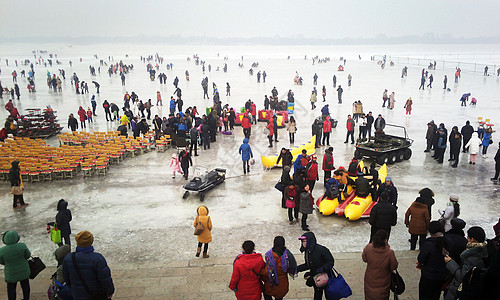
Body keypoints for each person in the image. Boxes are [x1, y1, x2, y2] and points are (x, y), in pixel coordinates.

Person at [62, 231, 115, 300]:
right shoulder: (98, 258)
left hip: (77, 295)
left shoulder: (69, 258)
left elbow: (66, 278)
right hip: (96, 295)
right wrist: (110, 291)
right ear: (91, 242)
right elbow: (105, 279)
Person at [443, 226, 488, 300]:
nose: (467, 238)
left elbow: (462, 276)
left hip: (461, 290)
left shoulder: (472, 256)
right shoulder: (484, 250)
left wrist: (450, 262)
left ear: (472, 239)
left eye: (468, 237)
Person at [297, 232, 335, 300]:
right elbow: (308, 264)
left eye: (305, 241)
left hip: (327, 278)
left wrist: (323, 268)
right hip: (316, 280)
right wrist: (298, 269)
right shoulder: (307, 252)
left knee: (330, 296)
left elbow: (330, 261)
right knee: (317, 296)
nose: (303, 243)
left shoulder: (321, 249)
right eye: (302, 241)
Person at [362, 230, 398, 300]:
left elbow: (364, 259)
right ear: (386, 240)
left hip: (370, 278)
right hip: (384, 280)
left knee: (369, 295)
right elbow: (393, 267)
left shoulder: (368, 247)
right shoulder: (390, 253)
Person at [417, 221, 449, 300]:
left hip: (429, 275)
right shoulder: (447, 241)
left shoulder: (428, 244)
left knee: (425, 295)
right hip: (443, 274)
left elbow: (421, 258)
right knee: (435, 295)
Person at [0, 231, 31, 300]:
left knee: (11, 289)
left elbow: (1, 261)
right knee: (25, 286)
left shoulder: (2, 251)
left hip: (11, 273)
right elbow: (28, 255)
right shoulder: (22, 246)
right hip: (24, 271)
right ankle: (26, 298)